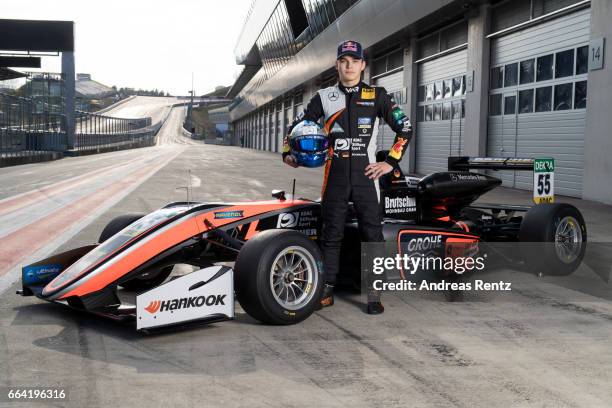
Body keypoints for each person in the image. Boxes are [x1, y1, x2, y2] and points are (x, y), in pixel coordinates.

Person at [282, 40, 412, 314]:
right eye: (344, 60)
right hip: (335, 177)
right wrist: (287, 153)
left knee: (372, 235)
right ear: (337, 65)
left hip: (367, 177)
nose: (349, 65)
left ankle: (374, 294)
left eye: (355, 60)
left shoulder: (378, 95)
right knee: (331, 235)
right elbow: (294, 127)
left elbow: (405, 128)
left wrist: (390, 162)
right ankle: (327, 289)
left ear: (363, 65)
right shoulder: (323, 97)